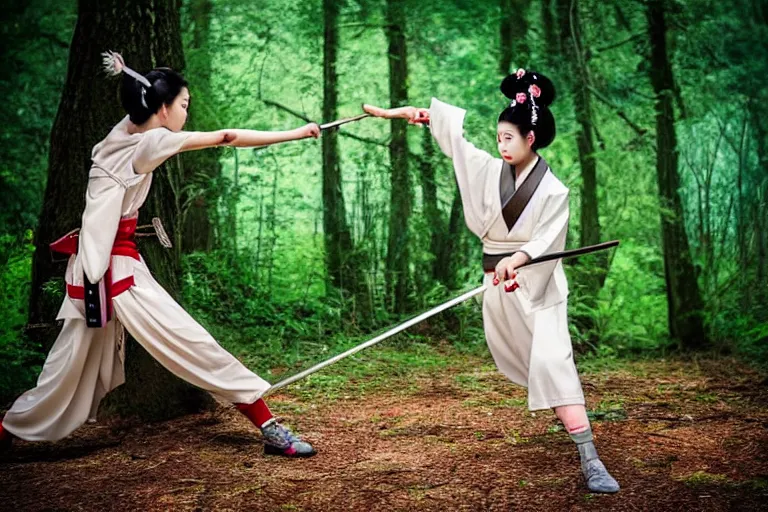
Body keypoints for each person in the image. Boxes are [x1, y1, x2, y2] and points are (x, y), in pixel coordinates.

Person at [0, 51, 318, 458]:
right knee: (190, 341)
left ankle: (5, 431)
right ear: (163, 107)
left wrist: (137, 80)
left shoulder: (119, 135)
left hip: (93, 269)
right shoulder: (150, 142)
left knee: (65, 367)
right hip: (115, 272)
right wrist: (295, 133)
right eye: (183, 105)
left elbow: (142, 111)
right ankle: (271, 427)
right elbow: (226, 137)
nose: (186, 114)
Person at [363, 69, 620, 493]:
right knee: (535, 366)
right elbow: (457, 145)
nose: (500, 145)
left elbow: (545, 240)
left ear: (530, 139)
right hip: (498, 287)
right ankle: (568, 421)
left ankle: (590, 459)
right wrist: (418, 116)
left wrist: (517, 259)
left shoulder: (554, 190)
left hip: (538, 289)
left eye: (508, 138)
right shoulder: (486, 169)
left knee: (554, 363)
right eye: (498, 137)